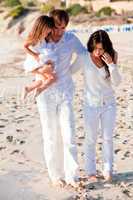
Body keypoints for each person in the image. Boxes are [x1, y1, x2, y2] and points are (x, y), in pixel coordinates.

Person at [36, 9, 86, 187]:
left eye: (63, 28)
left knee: (69, 134)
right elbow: (28, 63)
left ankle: (72, 175)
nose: (60, 32)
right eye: (57, 27)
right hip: (45, 93)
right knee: (50, 135)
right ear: (50, 25)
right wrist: (41, 72)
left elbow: (83, 54)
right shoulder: (40, 40)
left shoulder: (70, 39)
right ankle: (55, 176)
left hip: (65, 91)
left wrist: (70, 71)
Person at [70, 30, 121, 182]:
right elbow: (69, 71)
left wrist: (111, 65)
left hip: (109, 104)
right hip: (90, 105)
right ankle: (90, 171)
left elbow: (116, 82)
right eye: (95, 48)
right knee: (90, 139)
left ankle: (108, 169)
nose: (98, 52)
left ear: (106, 47)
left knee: (107, 138)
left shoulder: (112, 55)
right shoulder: (84, 58)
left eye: (101, 48)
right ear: (91, 46)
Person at [23, 15, 57, 99]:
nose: (48, 32)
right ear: (41, 27)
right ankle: (40, 90)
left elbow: (45, 50)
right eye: (47, 30)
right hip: (36, 63)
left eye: (49, 30)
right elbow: (24, 47)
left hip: (39, 63)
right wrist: (35, 55)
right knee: (52, 78)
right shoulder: (35, 38)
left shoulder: (44, 38)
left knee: (42, 80)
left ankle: (28, 88)